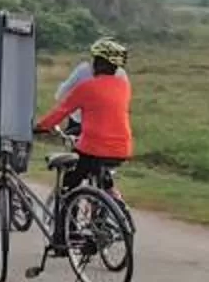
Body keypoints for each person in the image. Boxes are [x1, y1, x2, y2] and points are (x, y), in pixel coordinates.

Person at [36, 38, 135, 197]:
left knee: (70, 182)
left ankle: (67, 209)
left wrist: (40, 127)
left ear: (101, 63)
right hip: (122, 148)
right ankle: (115, 202)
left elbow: (60, 112)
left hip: (94, 148)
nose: (92, 65)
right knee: (102, 175)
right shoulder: (124, 87)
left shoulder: (87, 87)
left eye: (95, 60)